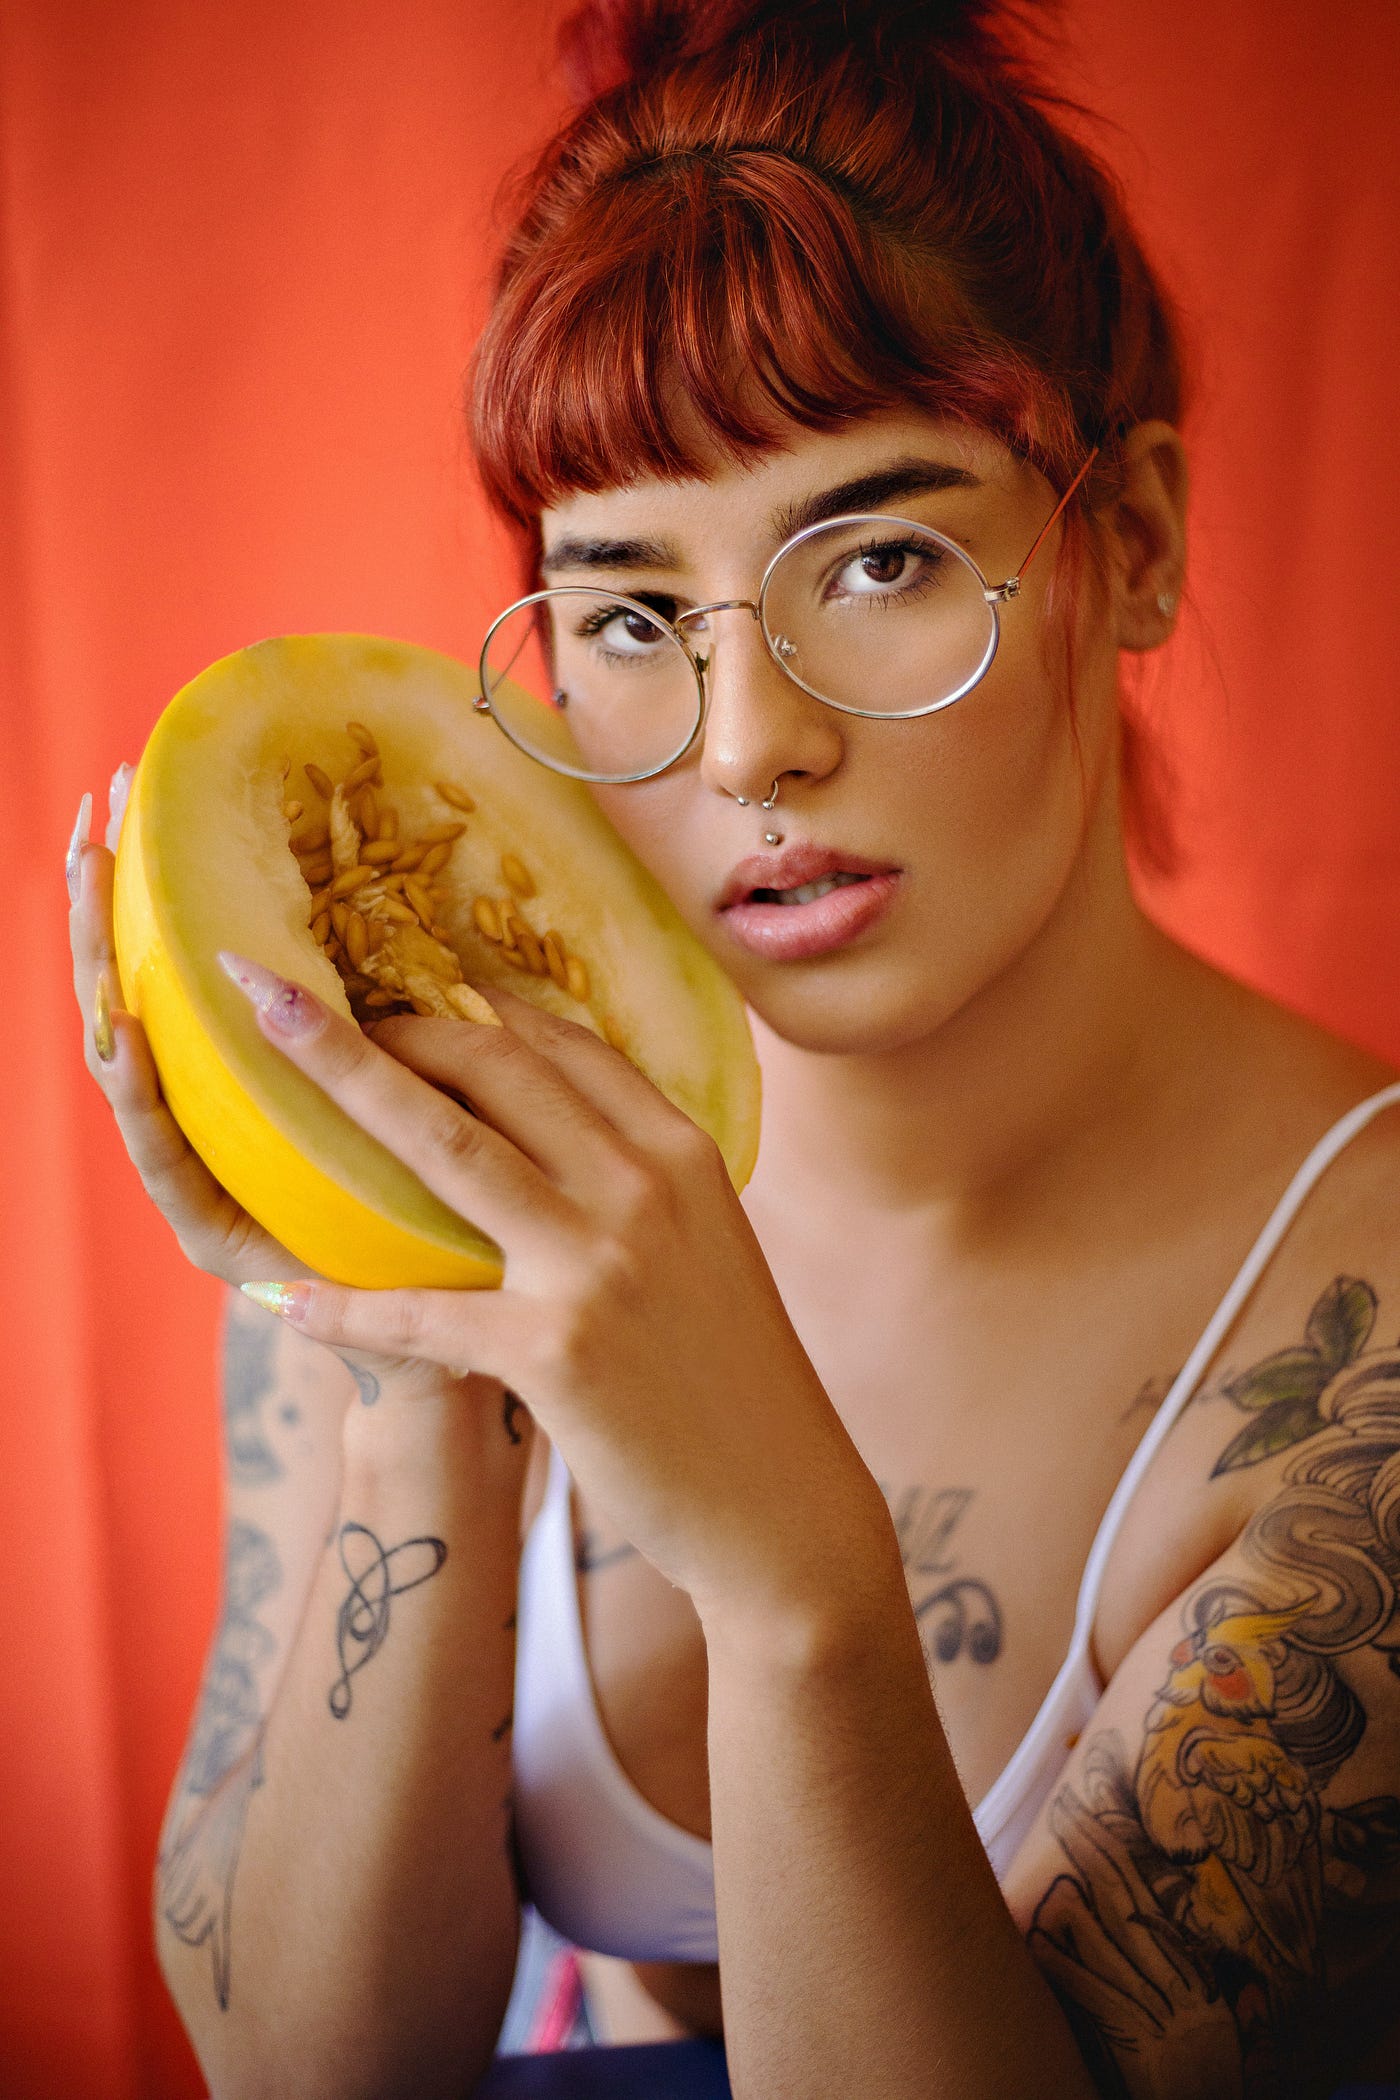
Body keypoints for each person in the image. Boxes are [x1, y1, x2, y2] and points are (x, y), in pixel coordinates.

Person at [67, 0, 1400, 2093]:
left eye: (879, 559)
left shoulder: (1362, 1347)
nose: (749, 739)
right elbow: (304, 2071)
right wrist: (415, 1371)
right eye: (627, 613)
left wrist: (795, 1580)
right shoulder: (452, 1149)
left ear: (1130, 543)